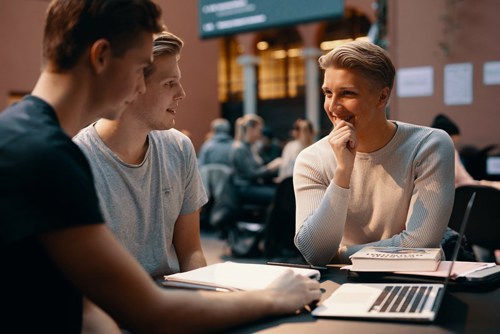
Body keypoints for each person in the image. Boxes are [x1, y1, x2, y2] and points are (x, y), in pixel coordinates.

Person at [0, 1, 321, 332]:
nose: (140, 86)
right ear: (101, 57)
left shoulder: (23, 137)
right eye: (140, 68)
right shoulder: (43, 155)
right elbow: (148, 312)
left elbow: (86, 311)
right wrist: (273, 298)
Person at [293, 41, 455, 266]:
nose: (333, 106)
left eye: (347, 94)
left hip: (414, 277)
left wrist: (341, 254)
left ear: (382, 97)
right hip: (344, 285)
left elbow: (420, 244)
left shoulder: (430, 145)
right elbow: (315, 253)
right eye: (328, 93)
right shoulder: (311, 159)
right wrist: (343, 172)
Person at [74, 32, 208, 284]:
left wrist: (206, 299)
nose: (182, 93)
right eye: (170, 83)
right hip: (117, 310)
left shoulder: (179, 148)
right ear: (133, 87)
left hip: (175, 303)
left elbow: (191, 250)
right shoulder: (78, 161)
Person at [431, 114, 500, 190]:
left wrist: (486, 184)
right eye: (452, 141)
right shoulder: (430, 155)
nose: (454, 144)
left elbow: (464, 179)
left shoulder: (453, 152)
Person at [230, 114, 282, 206]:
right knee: (279, 196)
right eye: (259, 130)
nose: (261, 134)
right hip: (244, 188)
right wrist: (270, 168)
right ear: (251, 129)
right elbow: (251, 174)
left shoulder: (251, 147)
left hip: (253, 186)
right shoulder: (240, 148)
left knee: (281, 193)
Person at [276, 118, 315, 183]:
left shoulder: (316, 148)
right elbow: (285, 168)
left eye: (304, 129)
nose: (300, 132)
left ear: (312, 132)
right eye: (297, 128)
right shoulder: (290, 146)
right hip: (290, 182)